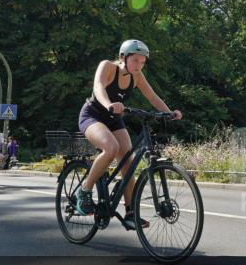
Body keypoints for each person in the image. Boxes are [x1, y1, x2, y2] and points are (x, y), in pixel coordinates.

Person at [74, 39, 181, 228]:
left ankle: (131, 212)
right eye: (135, 61)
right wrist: (108, 104)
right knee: (111, 148)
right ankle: (84, 191)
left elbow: (152, 96)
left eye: (143, 62)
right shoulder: (107, 66)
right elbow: (98, 87)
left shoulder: (137, 76)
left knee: (128, 160)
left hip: (114, 119)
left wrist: (169, 112)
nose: (139, 65)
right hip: (93, 115)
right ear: (124, 57)